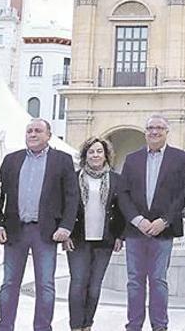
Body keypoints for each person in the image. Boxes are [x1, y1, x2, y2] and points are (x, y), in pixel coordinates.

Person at [0, 118, 78, 331]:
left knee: (46, 285)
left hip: (46, 232)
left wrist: (66, 227)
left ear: (49, 135)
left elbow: (72, 197)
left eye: (38, 131)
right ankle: (4, 326)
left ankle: (42, 327)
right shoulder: (11, 160)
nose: (32, 134)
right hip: (14, 231)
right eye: (29, 130)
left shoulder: (62, 160)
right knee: (9, 284)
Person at [118, 114, 185, 331]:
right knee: (134, 282)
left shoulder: (180, 158)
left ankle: (160, 326)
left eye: (159, 128)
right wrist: (138, 220)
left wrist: (165, 221)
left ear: (167, 132)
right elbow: (123, 194)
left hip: (163, 231)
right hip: (135, 231)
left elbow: (183, 193)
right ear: (145, 132)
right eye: (150, 128)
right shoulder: (132, 159)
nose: (154, 132)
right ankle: (134, 325)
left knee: (158, 281)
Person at [64, 137, 126, 331]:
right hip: (77, 238)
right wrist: (64, 233)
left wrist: (119, 236)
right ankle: (75, 326)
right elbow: (64, 207)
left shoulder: (116, 180)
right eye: (91, 151)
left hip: (105, 239)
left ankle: (87, 324)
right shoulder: (73, 178)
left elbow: (121, 210)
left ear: (106, 155)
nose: (95, 155)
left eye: (99, 151)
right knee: (78, 284)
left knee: (95, 286)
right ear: (85, 155)